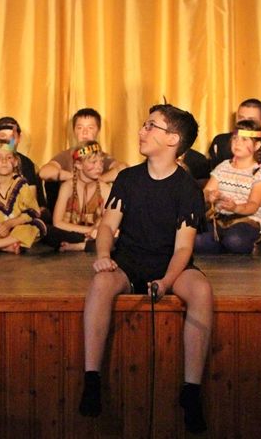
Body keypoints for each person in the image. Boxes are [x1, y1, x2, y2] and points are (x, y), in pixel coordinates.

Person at [79, 104, 212, 434]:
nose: (142, 131)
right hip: (129, 262)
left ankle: (191, 390)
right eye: (144, 124)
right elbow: (107, 225)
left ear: (173, 139)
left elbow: (183, 248)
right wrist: (104, 254)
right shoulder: (128, 179)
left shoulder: (187, 189)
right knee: (101, 283)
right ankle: (92, 378)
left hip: (171, 265)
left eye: (151, 126)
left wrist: (166, 281)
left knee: (201, 290)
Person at [198, 119, 261, 254]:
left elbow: (253, 205)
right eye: (235, 138)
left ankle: (251, 244)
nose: (238, 143)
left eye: (244, 140)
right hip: (220, 218)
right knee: (199, 240)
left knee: (235, 240)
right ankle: (222, 244)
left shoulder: (258, 173)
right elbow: (207, 190)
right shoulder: (223, 166)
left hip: (246, 220)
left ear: (257, 145)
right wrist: (210, 196)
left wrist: (235, 207)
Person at [207, 98, 261, 206]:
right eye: (241, 118)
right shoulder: (221, 143)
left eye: (251, 120)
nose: (238, 144)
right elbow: (211, 184)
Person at [46, 140, 111, 252]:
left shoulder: (105, 189)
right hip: (74, 233)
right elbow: (57, 222)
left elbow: (108, 222)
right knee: (48, 232)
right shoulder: (67, 186)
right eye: (93, 162)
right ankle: (87, 243)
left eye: (101, 162)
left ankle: (82, 245)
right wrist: (89, 230)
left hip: (95, 234)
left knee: (114, 236)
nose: (99, 167)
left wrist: (96, 229)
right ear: (78, 164)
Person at [38, 108, 126, 185]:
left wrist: (99, 181)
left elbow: (123, 168)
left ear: (98, 130)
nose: (85, 132)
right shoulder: (67, 155)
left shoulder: (101, 156)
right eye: (80, 128)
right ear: (74, 130)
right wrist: (76, 178)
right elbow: (44, 172)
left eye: (90, 128)